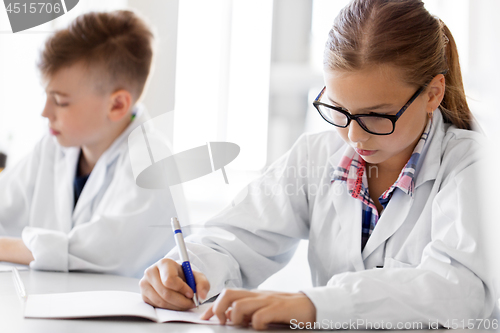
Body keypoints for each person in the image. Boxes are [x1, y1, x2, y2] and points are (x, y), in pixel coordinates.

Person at [139, 0, 496, 329]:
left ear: (433, 93)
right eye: (339, 110)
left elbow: (458, 289)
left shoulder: (473, 166)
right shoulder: (315, 155)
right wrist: (189, 270)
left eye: (377, 116)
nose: (355, 136)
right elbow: (240, 237)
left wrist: (314, 305)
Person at [0, 10, 179, 278]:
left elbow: (102, 251)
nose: (45, 111)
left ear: (117, 105)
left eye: (60, 101)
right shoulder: (53, 148)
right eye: (46, 96)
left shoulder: (152, 161)